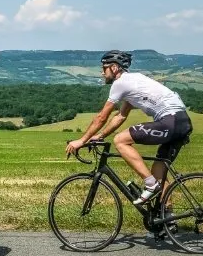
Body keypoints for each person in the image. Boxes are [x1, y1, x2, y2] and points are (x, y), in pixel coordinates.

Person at [66, 50, 193, 204]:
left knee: (120, 140)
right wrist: (100, 136)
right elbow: (121, 116)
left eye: (104, 68)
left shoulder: (121, 83)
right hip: (181, 121)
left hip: (170, 120)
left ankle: (150, 185)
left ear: (114, 68)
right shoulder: (134, 81)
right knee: (159, 173)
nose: (101, 73)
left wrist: (81, 140)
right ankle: (168, 220)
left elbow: (101, 117)